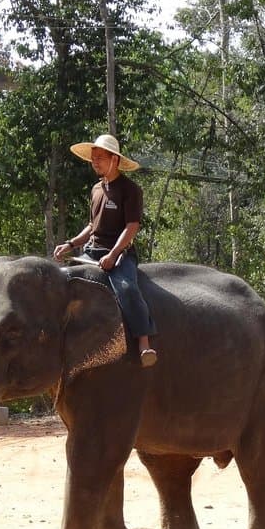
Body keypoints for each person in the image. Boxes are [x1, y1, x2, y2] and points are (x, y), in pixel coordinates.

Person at [53, 133, 158, 367]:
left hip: (120, 255)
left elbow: (132, 226)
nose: (95, 163)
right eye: (93, 158)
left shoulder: (130, 190)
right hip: (92, 253)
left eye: (100, 158)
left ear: (115, 160)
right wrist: (71, 244)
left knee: (127, 288)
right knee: (61, 281)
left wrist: (113, 254)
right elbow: (92, 226)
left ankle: (144, 341)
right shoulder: (96, 190)